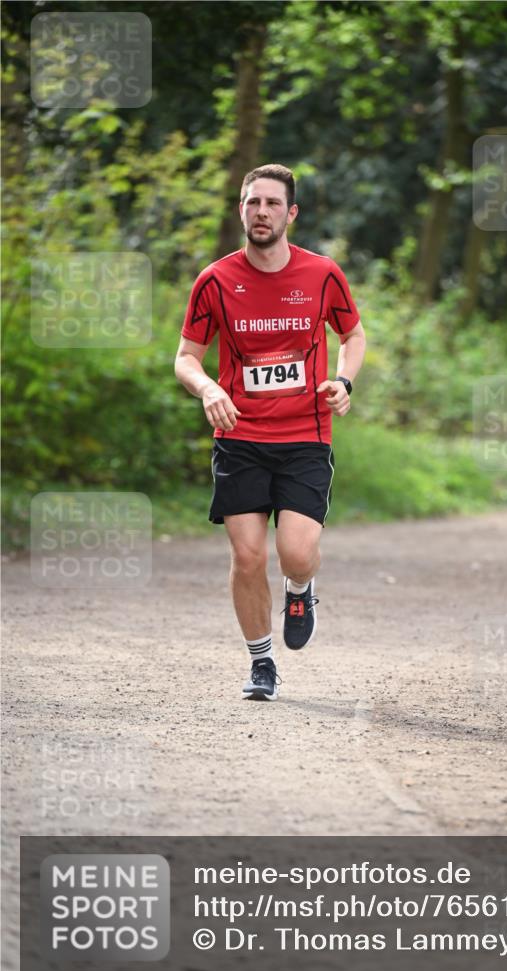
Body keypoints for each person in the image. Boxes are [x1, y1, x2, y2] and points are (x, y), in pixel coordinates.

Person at [174, 164, 366, 701]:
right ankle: (262, 664)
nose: (262, 212)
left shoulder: (323, 274)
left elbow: (353, 335)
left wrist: (344, 380)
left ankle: (300, 589)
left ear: (291, 213)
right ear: (241, 209)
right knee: (248, 556)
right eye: (253, 202)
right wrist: (208, 389)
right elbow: (186, 358)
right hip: (240, 437)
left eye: (273, 204)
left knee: (296, 553)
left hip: (306, 435)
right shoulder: (214, 281)